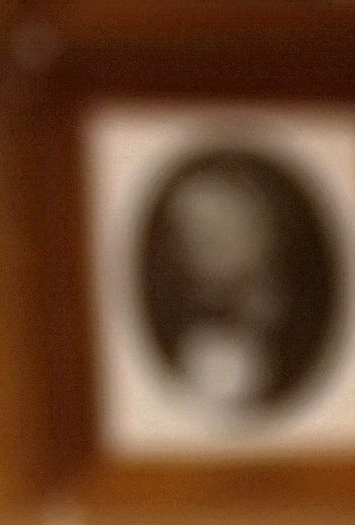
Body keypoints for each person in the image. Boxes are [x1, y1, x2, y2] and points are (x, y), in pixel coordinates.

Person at [140, 153, 330, 419]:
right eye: (188, 242)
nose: (192, 256)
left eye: (211, 237)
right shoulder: (197, 336)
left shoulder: (296, 317)